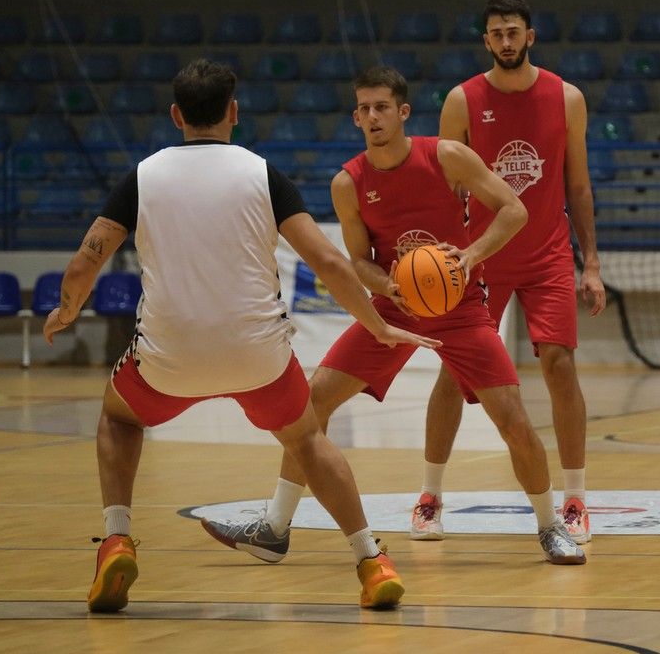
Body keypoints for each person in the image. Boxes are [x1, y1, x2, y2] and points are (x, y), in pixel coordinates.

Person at [45, 59, 440, 613]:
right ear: (234, 112)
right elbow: (328, 259)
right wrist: (378, 325)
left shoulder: (143, 176)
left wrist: (65, 311)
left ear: (177, 115)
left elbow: (87, 261)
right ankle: (371, 559)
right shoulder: (263, 174)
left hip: (168, 356)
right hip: (258, 357)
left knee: (117, 418)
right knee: (305, 439)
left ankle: (116, 537)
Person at [201, 66, 585, 565]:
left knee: (512, 417)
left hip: (461, 309)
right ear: (355, 116)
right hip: (394, 310)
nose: (372, 116)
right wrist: (389, 285)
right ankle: (275, 528)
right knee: (310, 403)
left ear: (402, 112)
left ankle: (551, 526)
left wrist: (470, 257)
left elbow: (514, 209)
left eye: (382, 106)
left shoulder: (446, 156)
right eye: (363, 108)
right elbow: (359, 260)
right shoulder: (349, 182)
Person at [413, 0, 606, 544]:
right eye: (496, 33)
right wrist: (443, 256)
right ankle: (430, 496)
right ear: (486, 40)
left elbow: (578, 184)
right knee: (454, 373)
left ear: (530, 36)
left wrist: (589, 261)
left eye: (513, 31)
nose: (505, 41)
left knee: (560, 368)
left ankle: (574, 499)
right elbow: (443, 186)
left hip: (546, 253)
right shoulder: (462, 100)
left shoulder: (567, 97)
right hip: (481, 254)